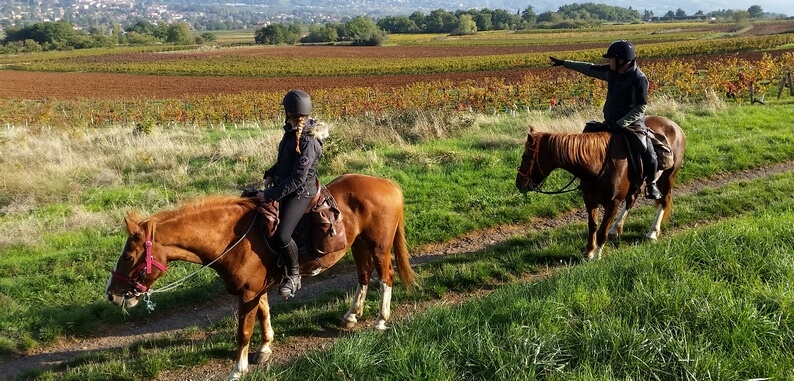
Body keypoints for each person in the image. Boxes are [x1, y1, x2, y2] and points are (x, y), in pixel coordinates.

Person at [549, 40, 661, 199]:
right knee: (588, 135)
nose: (608, 62)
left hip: (632, 123)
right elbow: (589, 68)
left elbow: (640, 108)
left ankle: (651, 184)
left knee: (647, 150)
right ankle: (589, 179)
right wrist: (565, 63)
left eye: (610, 59)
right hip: (610, 123)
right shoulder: (611, 71)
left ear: (621, 61)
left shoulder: (638, 79)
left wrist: (620, 124)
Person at [261, 89, 324, 298]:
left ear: (288, 112)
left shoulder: (309, 141)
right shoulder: (290, 131)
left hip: (301, 192)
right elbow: (284, 162)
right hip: (287, 185)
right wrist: (271, 173)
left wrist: (271, 195)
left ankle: (294, 275)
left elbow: (298, 179)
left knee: (283, 234)